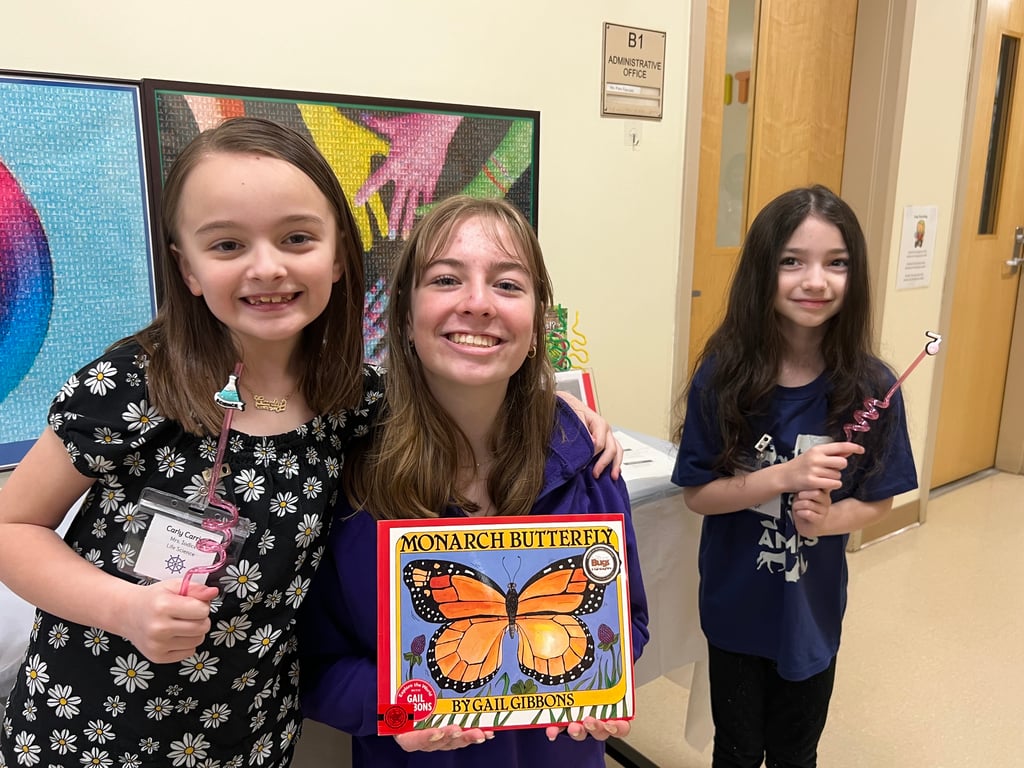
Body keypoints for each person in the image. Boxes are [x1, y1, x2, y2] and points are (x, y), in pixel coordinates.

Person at [0, 116, 382, 768]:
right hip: (92, 732)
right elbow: (12, 527)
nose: (268, 267)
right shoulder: (135, 383)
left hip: (250, 733)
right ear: (189, 269)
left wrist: (562, 414)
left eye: (297, 238)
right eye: (227, 245)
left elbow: (458, 416)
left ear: (339, 254)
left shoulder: (354, 400)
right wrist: (125, 609)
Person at [299, 195, 649, 768]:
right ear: (405, 316)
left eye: (508, 285)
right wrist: (395, 711)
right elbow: (312, 664)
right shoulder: (351, 474)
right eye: (446, 279)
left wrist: (604, 686)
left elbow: (629, 620)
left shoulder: (586, 460)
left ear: (536, 326)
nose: (478, 303)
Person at [672, 185, 918, 768]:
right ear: (763, 269)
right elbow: (699, 495)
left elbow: (878, 501)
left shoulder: (873, 388)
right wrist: (785, 476)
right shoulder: (723, 376)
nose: (816, 281)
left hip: (811, 615)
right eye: (792, 261)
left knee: (796, 752)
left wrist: (828, 521)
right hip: (735, 608)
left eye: (837, 263)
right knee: (736, 749)